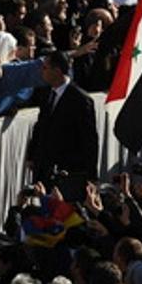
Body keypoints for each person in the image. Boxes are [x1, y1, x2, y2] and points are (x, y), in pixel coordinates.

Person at [27, 51, 98, 197]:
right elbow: (40, 126)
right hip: (45, 167)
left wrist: (91, 175)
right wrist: (32, 155)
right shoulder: (47, 94)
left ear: (57, 70)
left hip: (69, 170)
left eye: (45, 68)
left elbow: (89, 139)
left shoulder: (80, 99)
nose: (42, 71)